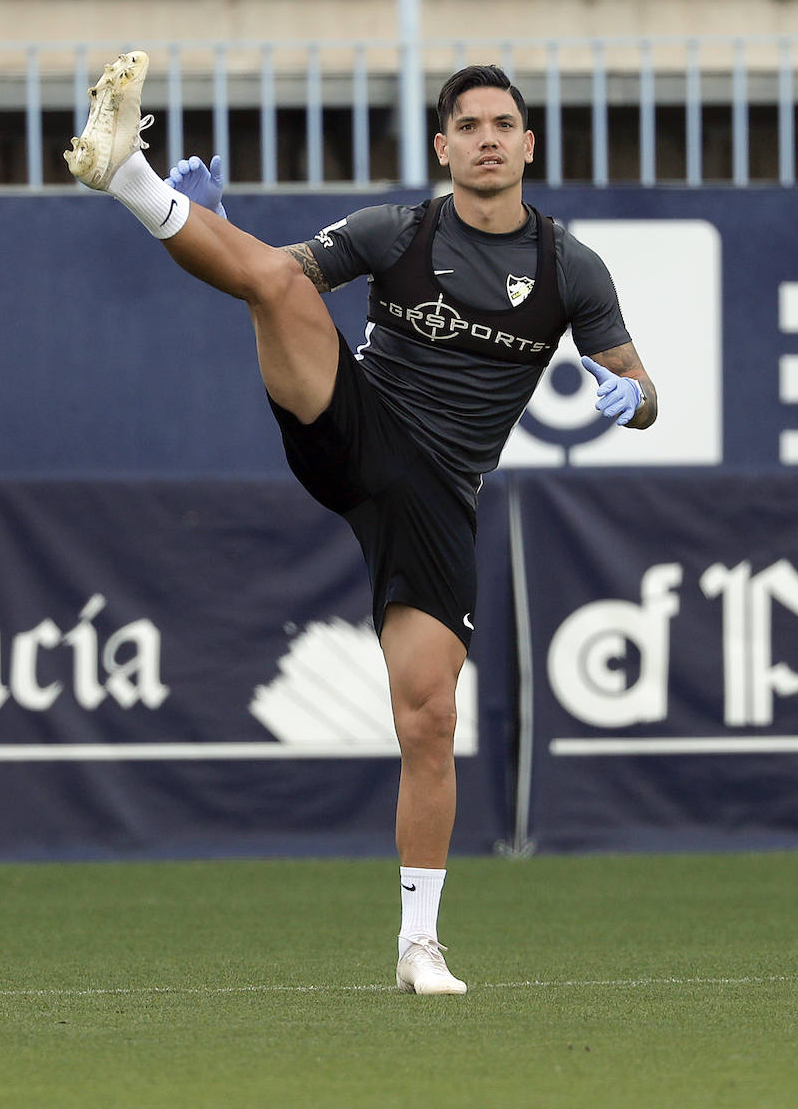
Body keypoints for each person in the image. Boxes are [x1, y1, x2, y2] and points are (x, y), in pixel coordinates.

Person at [65, 53, 656, 995]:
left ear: (528, 142)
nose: (488, 139)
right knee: (279, 286)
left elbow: (646, 390)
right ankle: (127, 174)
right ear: (444, 145)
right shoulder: (396, 231)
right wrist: (214, 227)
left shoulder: (570, 268)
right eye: (469, 126)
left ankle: (419, 945)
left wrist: (631, 395)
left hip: (441, 497)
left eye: (502, 124)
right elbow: (272, 277)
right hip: (356, 428)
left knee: (429, 718)